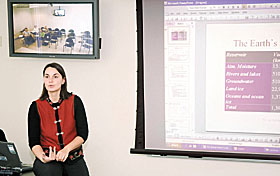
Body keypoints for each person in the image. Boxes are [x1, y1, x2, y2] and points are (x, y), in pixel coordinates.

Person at [28, 62, 90, 176]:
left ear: (63, 80)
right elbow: (33, 142)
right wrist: (43, 157)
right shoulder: (35, 106)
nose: (50, 80)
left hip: (73, 158)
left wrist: (66, 150)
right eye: (47, 76)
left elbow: (83, 134)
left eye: (55, 76)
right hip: (48, 160)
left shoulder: (75, 101)